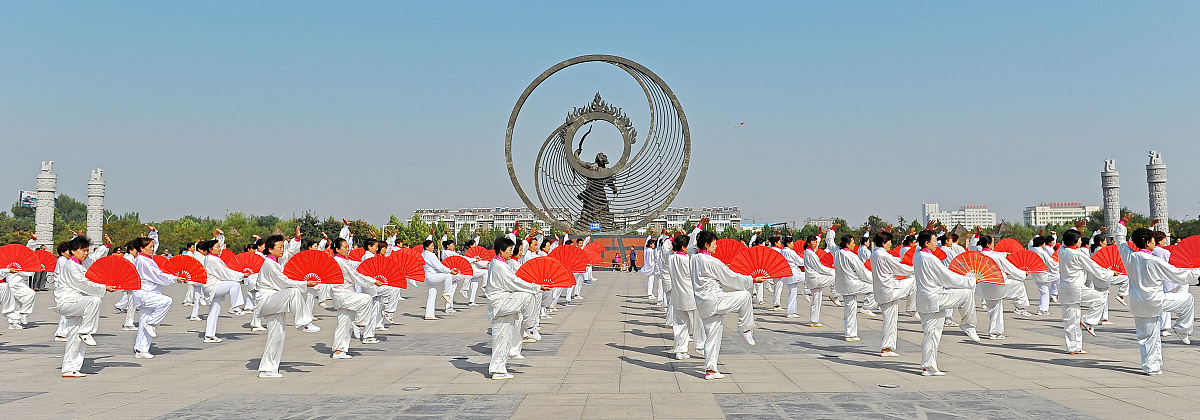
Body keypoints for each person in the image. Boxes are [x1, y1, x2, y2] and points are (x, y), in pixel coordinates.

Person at [1112, 216, 1199, 375]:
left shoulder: (1129, 256)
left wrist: (1122, 223)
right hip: (1155, 301)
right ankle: (1182, 327)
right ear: (1147, 243)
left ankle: (1153, 365)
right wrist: (1197, 271)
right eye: (1153, 240)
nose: (1155, 243)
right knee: (1187, 299)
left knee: (1146, 336)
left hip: (1138, 303)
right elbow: (1177, 274)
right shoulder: (1153, 261)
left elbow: (1119, 239)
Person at [691, 231, 764, 380]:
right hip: (715, 300)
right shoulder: (711, 262)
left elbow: (693, 245)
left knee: (712, 336)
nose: (716, 246)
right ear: (707, 244)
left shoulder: (694, 258)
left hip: (703, 304)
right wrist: (752, 280)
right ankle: (745, 328)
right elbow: (731, 278)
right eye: (714, 243)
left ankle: (710, 370)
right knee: (744, 295)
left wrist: (698, 228)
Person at [912, 231, 980, 376]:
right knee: (967, 293)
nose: (937, 243)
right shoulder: (930, 258)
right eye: (934, 240)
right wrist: (971, 280)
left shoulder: (917, 255)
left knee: (931, 334)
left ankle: (928, 366)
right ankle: (968, 324)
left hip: (925, 300)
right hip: (936, 297)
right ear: (926, 243)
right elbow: (947, 278)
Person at [50, 236, 118, 378]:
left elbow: (95, 257)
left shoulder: (84, 261)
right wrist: (104, 288)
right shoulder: (70, 266)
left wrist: (105, 247)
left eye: (87, 250)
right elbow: (84, 284)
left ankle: (70, 368)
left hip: (79, 302)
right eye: (83, 250)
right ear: (73, 251)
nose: (86, 253)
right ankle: (86, 331)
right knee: (94, 300)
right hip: (68, 302)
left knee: (74, 338)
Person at [255, 234, 321, 378]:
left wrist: (296, 240)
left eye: (283, 246)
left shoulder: (276, 261)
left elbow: (290, 254)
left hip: (275, 301)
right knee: (294, 292)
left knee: (278, 334)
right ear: (270, 249)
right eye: (279, 247)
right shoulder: (270, 264)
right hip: (267, 301)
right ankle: (303, 321)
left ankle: (268, 368)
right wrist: (305, 284)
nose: (282, 249)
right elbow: (285, 282)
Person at [486, 237, 546, 380]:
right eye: (509, 250)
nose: (511, 252)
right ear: (501, 250)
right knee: (528, 295)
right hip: (501, 303)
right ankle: (529, 325)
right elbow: (514, 282)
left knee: (503, 337)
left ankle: (499, 369)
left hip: (503, 303)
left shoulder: (500, 262)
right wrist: (536, 286)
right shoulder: (499, 266)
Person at [329, 238, 384, 359]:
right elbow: (355, 275)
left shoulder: (341, 260)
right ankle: (360, 322)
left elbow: (355, 270)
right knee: (366, 299)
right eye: (344, 246)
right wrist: (373, 281)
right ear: (337, 249)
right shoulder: (340, 261)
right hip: (343, 295)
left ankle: (339, 350)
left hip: (343, 295)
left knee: (344, 323)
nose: (347, 248)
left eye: (347, 246)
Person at [130, 236, 181, 359]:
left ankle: (141, 349)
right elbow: (157, 275)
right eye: (150, 247)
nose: (153, 249)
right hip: (145, 293)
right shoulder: (143, 261)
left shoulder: (146, 259)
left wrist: (154, 233)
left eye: (153, 246)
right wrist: (174, 278)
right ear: (141, 249)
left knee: (144, 320)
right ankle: (153, 322)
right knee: (167, 301)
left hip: (149, 292)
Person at [976, 235, 1034, 340]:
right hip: (997, 284)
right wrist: (1023, 273)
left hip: (984, 285)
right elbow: (1010, 268)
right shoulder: (996, 257)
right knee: (1018, 285)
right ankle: (1019, 306)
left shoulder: (977, 256)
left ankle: (994, 332)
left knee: (993, 308)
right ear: (989, 244)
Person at [870, 228, 916, 357]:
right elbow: (900, 269)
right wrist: (916, 268)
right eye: (889, 242)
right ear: (884, 243)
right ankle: (912, 308)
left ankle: (887, 348)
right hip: (889, 289)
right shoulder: (883, 255)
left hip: (882, 291)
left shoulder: (874, 253)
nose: (891, 244)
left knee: (890, 320)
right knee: (914, 280)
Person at [195, 239, 250, 343]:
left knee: (214, 311)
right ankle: (234, 307)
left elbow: (225, 271)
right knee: (235, 284)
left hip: (213, 285)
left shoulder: (212, 258)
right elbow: (224, 273)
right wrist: (242, 275)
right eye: (217, 247)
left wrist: (240, 274)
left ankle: (209, 335)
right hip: (213, 286)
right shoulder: (212, 259)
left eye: (219, 247)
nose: (219, 249)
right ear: (210, 249)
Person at [667, 221, 705, 359]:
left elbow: (666, 248)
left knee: (680, 325)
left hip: (677, 296)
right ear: (683, 247)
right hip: (690, 296)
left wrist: (671, 237)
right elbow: (694, 246)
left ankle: (680, 350)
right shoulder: (688, 260)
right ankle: (700, 346)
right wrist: (698, 228)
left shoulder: (671, 258)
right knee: (698, 324)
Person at [802, 229, 837, 327]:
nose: (815, 243)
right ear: (808, 243)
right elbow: (819, 267)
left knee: (816, 300)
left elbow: (816, 247)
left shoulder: (809, 252)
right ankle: (834, 294)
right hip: (815, 278)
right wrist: (831, 270)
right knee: (834, 275)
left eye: (815, 241)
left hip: (812, 279)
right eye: (813, 241)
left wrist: (819, 234)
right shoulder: (810, 253)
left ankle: (814, 320)